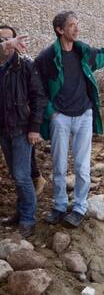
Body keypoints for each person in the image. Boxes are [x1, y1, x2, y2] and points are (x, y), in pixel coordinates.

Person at [35, 11, 104, 227]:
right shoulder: (47, 58)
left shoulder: (83, 51)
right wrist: (51, 112)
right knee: (59, 166)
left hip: (84, 115)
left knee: (82, 167)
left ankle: (80, 206)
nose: (77, 28)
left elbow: (100, 56)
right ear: (60, 30)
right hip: (60, 117)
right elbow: (37, 87)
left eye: (77, 24)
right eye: (72, 25)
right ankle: (60, 205)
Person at [0, 25, 47, 237]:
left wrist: (34, 128)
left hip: (21, 128)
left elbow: (38, 97)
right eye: (2, 41)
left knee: (21, 175)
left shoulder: (26, 64)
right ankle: (20, 213)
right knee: (15, 174)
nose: (7, 44)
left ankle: (28, 218)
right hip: (3, 130)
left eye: (10, 39)